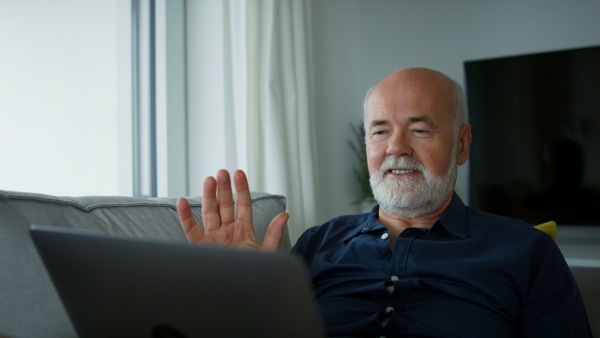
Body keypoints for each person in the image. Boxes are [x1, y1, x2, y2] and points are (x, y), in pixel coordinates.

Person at [176, 68, 592, 337]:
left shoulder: (527, 252)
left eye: (420, 130)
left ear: (462, 144)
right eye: (379, 132)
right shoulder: (318, 243)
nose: (397, 148)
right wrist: (235, 291)